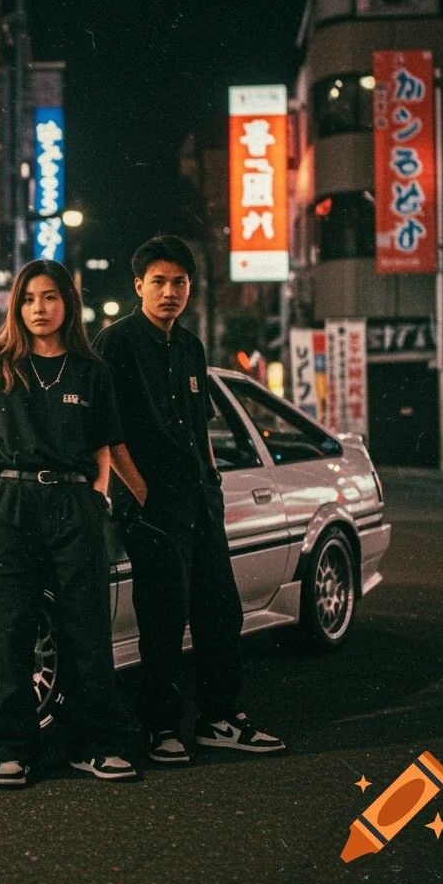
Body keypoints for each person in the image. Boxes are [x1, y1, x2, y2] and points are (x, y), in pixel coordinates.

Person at [93, 235, 285, 765]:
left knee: (220, 612)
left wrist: (212, 478)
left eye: (179, 282)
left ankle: (218, 718)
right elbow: (108, 432)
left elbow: (200, 425)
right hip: (153, 506)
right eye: (159, 281)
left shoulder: (192, 346)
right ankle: (160, 728)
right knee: (162, 618)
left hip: (200, 500)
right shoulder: (117, 343)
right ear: (139, 286)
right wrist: (143, 494)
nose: (170, 292)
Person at [0, 259, 137, 788]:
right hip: (10, 507)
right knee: (11, 632)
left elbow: (103, 443)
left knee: (86, 630)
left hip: (74, 508)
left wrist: (99, 495)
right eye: (30, 298)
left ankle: (94, 745)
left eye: (51, 297)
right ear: (18, 305)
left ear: (67, 305)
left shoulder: (90, 368)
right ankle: (13, 750)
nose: (40, 307)